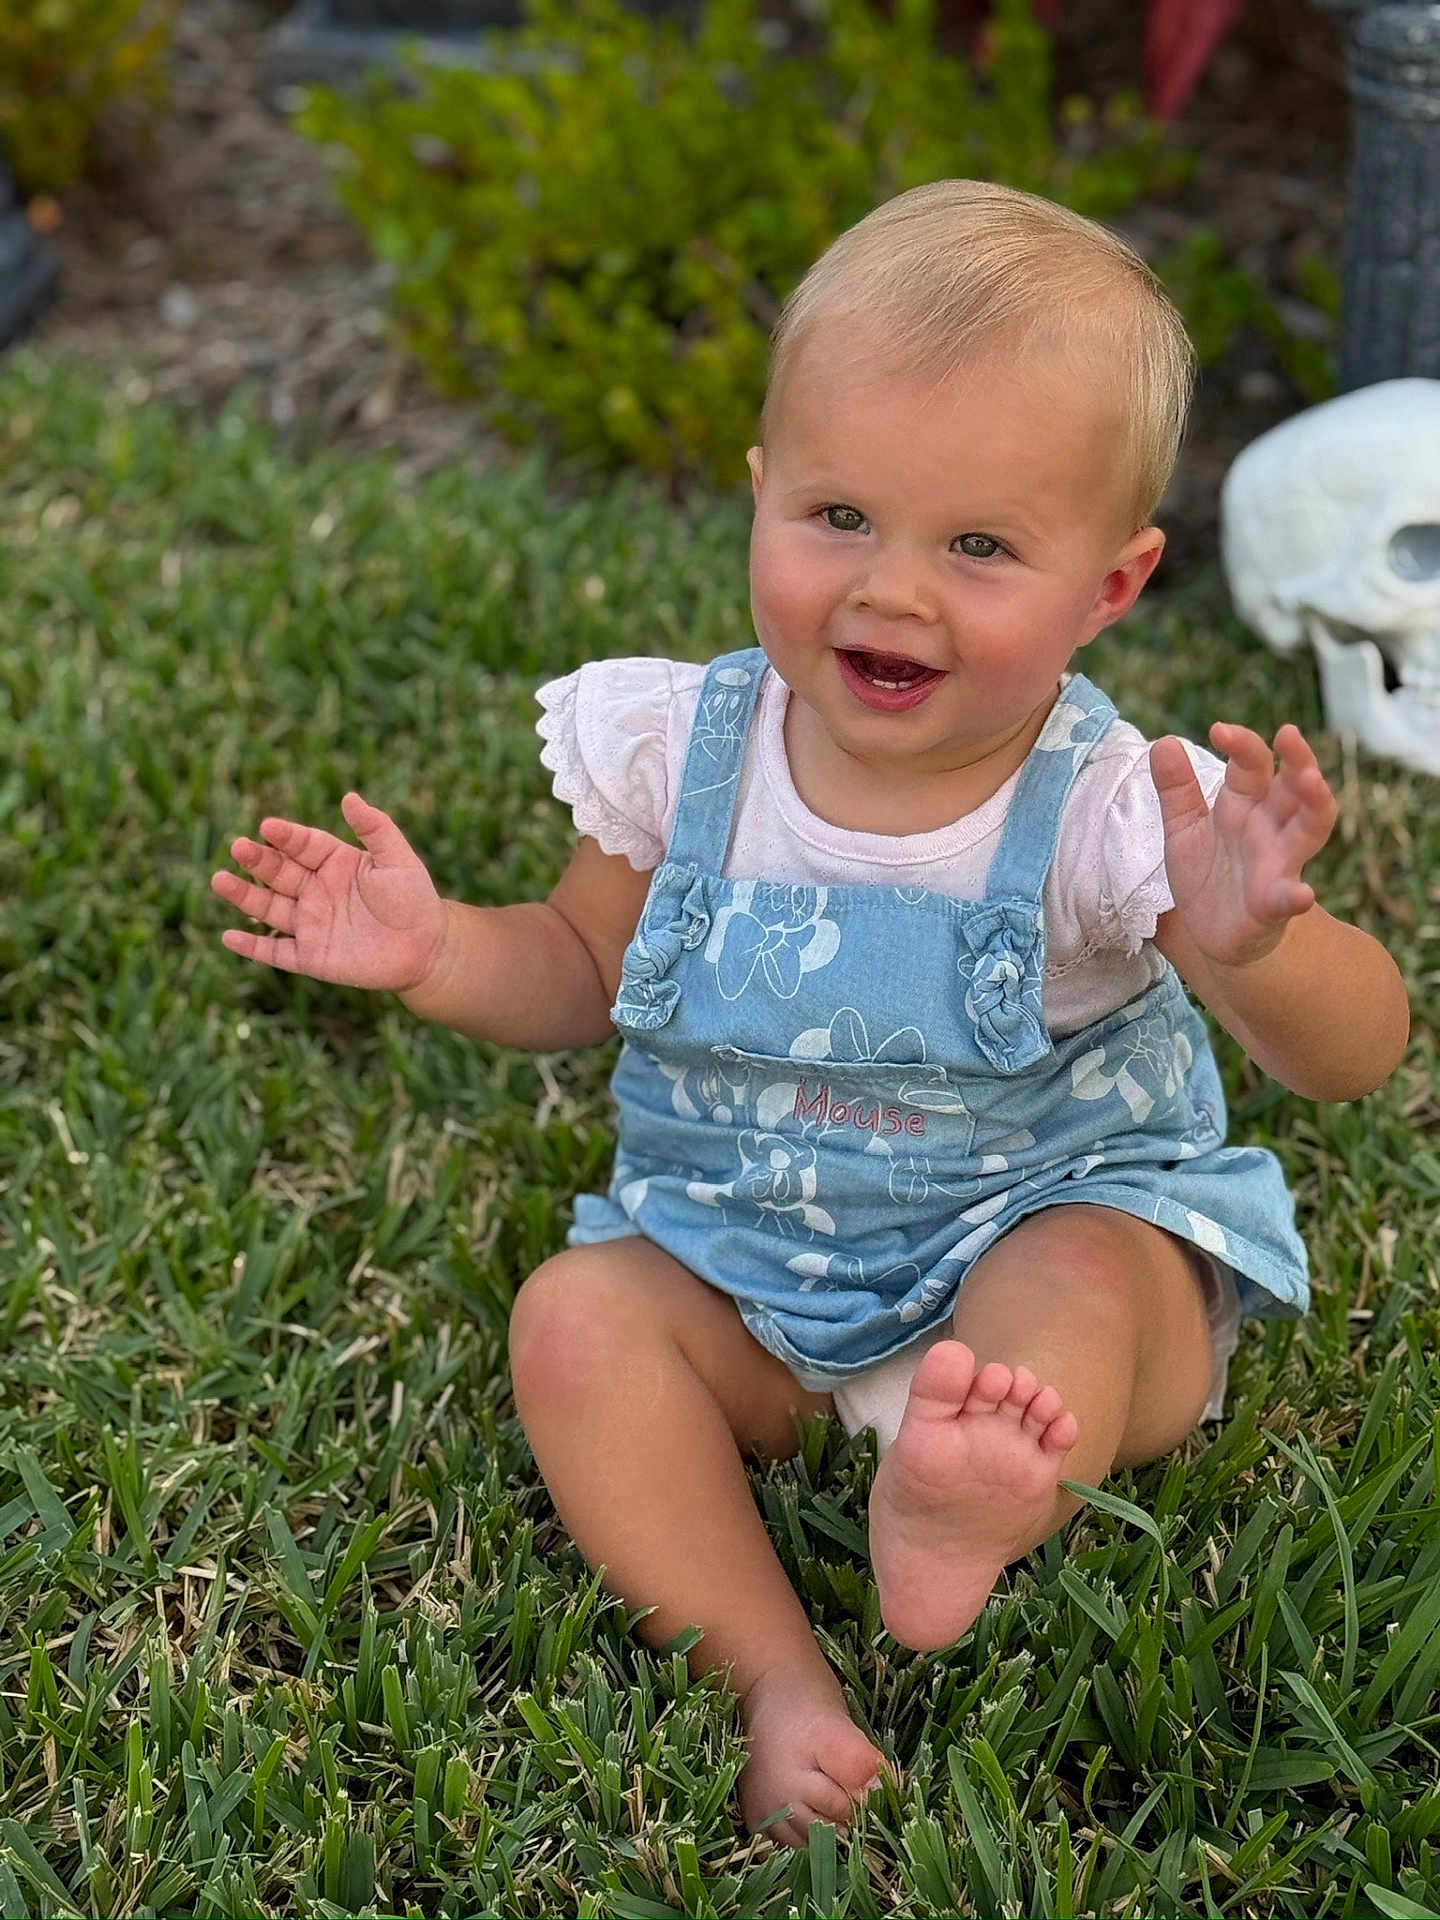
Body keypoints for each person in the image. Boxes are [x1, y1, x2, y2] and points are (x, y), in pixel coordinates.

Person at [213, 180, 1410, 1848]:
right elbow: (577, 968)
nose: (891, 593)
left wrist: (1253, 950)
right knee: (573, 1320)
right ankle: (779, 1677)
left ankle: (975, 1483)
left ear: (1111, 586)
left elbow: (1361, 1058)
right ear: (763, 489)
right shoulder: (677, 745)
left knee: (1083, 1279)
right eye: (840, 516)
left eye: (980, 546)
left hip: (1033, 1220)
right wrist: (437, 955)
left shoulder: (1119, 808)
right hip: (747, 1273)